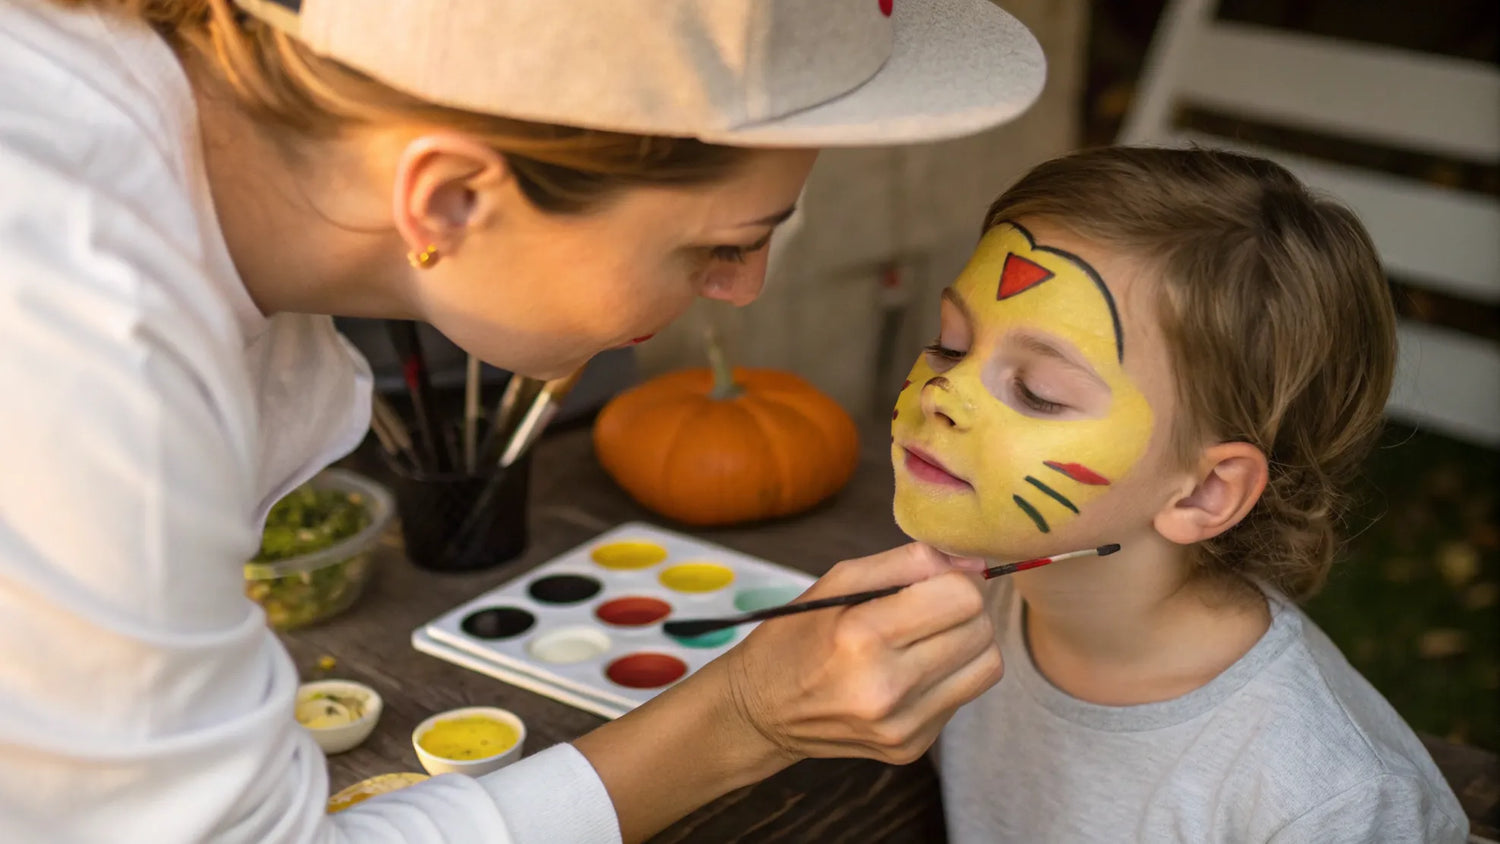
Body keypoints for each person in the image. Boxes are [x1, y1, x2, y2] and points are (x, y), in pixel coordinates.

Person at [0, 0, 1047, 841]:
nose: (742, 288)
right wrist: (741, 716)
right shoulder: (80, 362)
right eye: (718, 244)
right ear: (451, 197)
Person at [888, 145, 1469, 842]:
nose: (945, 393)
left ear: (1204, 493)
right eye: (951, 344)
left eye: (1038, 393)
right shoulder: (966, 605)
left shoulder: (1325, 803)